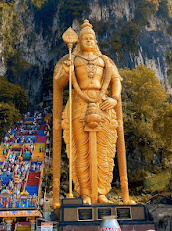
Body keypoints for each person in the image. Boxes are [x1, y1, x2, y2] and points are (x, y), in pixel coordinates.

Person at [53, 20, 132, 208]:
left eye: (91, 37)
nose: (88, 40)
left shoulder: (105, 61)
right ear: (78, 41)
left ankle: (102, 192)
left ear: (96, 41)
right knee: (81, 153)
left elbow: (116, 81)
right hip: (79, 106)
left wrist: (114, 97)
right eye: (85, 38)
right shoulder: (72, 60)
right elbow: (59, 84)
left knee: (104, 152)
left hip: (102, 104)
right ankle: (86, 193)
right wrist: (67, 71)